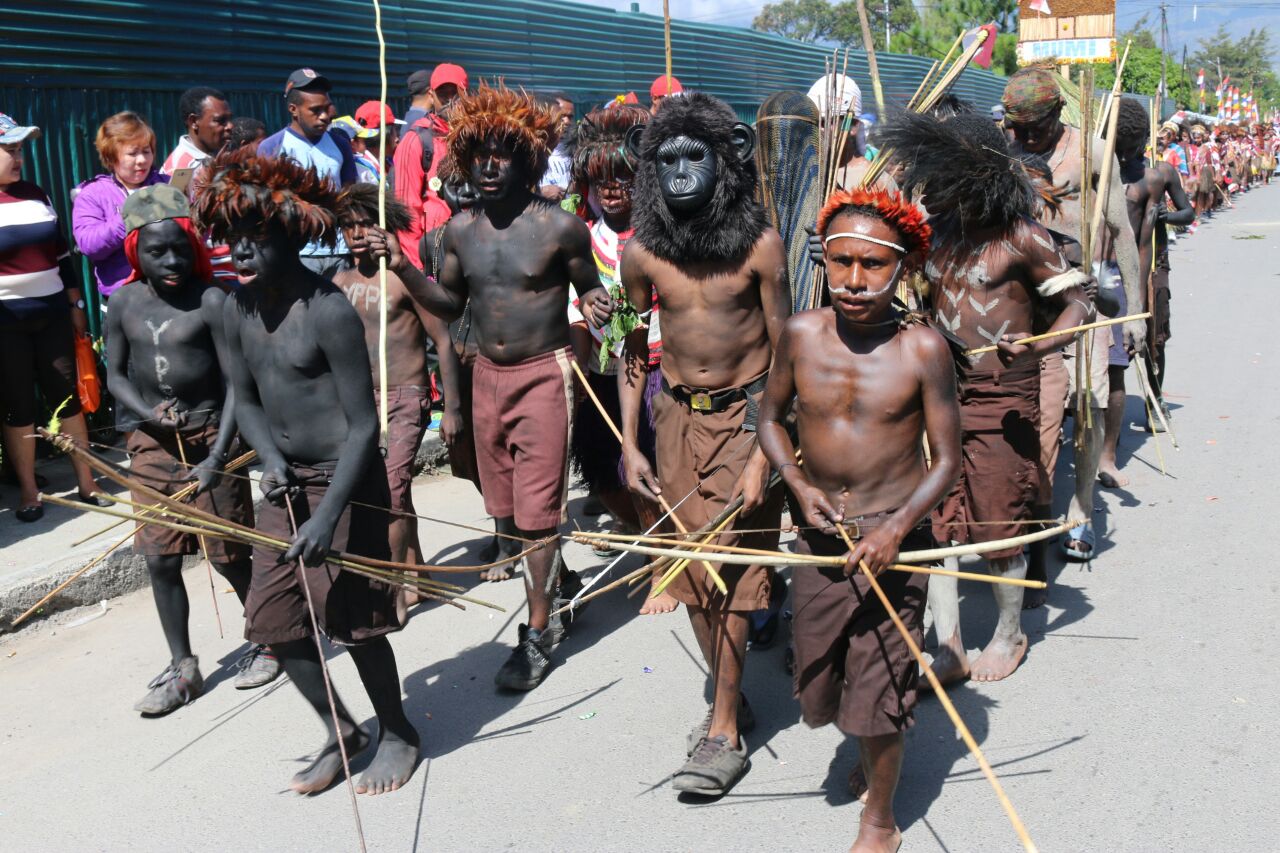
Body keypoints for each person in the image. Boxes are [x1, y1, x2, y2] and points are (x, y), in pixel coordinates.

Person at [193, 149, 419, 795]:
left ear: (290, 236)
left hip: (345, 482)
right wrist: (267, 460)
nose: (240, 252)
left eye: (255, 238)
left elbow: (364, 427)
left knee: (358, 621)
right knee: (272, 620)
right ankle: (340, 729)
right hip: (284, 482)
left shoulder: (327, 310)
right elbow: (247, 398)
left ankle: (398, 729)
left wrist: (326, 515)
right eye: (231, 240)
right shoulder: (234, 309)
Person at [372, 84, 612, 690]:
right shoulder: (458, 231)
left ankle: (536, 635)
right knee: (503, 507)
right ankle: (561, 581)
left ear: (529, 160)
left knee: (536, 514)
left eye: (503, 153)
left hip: (543, 375)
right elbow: (449, 303)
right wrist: (402, 266)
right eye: (478, 152)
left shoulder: (561, 229)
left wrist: (598, 301)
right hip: (484, 376)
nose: (488, 164)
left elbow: (589, 286)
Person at [758, 187, 961, 853]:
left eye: (872, 265)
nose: (853, 280)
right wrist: (794, 482)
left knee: (880, 691)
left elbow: (947, 461)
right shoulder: (798, 335)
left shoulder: (923, 350)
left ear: (904, 266)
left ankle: (881, 816)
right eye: (840, 262)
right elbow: (770, 419)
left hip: (892, 544)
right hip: (821, 539)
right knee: (821, 687)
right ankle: (871, 738)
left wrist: (898, 527)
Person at [878, 110, 1094, 683]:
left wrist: (1042, 344)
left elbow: (1079, 302)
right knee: (939, 518)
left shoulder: (1023, 235)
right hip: (943, 392)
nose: (932, 192)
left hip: (1004, 394)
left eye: (943, 181)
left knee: (999, 520)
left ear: (975, 176)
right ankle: (948, 648)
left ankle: (1009, 632)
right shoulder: (937, 235)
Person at [619, 93, 790, 794]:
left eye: (696, 157)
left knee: (737, 570)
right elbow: (631, 347)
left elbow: (787, 355)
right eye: (667, 161)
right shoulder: (642, 255)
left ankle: (722, 730)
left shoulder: (761, 247)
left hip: (745, 420)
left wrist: (762, 451)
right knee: (692, 571)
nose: (681, 173)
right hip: (674, 423)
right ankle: (729, 695)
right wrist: (629, 443)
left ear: (729, 159)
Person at [106, 184, 277, 713]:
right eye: (157, 251)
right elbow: (114, 375)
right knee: (159, 558)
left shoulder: (211, 300)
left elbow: (236, 387)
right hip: (151, 445)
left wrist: (216, 457)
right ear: (136, 251)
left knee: (229, 553)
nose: (172, 260)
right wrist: (149, 412)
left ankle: (270, 638)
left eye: (180, 247)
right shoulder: (123, 301)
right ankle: (182, 666)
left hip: (210, 440)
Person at [1002, 66, 1145, 566]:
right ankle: (1027, 512)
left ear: (1058, 112)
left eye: (1033, 127)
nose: (1023, 137)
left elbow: (1121, 233)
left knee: (1087, 408)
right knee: (1030, 416)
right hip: (1021, 303)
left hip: (1079, 299)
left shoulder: (1092, 153)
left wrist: (1135, 313)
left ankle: (1081, 511)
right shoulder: (1005, 151)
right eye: (1016, 127)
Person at [332, 184, 461, 568]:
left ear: (384, 227)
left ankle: (394, 587)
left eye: (366, 224)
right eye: (348, 225)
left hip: (406, 397)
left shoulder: (403, 278)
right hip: (360, 403)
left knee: (390, 489)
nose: (357, 233)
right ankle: (416, 572)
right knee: (391, 491)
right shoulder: (340, 285)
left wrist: (452, 407)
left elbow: (443, 341)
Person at [563, 105, 657, 568]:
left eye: (622, 176)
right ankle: (643, 532)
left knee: (653, 465)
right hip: (605, 370)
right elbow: (574, 310)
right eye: (600, 180)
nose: (611, 189)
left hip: (657, 370)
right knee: (604, 470)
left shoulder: (663, 237)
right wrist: (583, 307)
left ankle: (663, 555)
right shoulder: (581, 239)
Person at [0, 114, 104, 521]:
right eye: (9, 150)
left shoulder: (35, 192)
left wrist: (76, 305)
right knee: (18, 405)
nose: (18, 157)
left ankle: (88, 482)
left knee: (68, 400)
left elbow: (61, 253)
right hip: (6, 323)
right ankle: (29, 490)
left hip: (53, 316)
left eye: (20, 149)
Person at [257, 68, 357, 280]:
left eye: (327, 109)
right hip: (297, 253)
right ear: (294, 109)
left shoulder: (341, 145)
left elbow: (351, 194)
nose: (325, 117)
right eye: (315, 110)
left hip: (339, 251)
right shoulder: (271, 148)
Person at [72, 111, 168, 301]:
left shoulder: (167, 185)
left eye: (146, 151)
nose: (141, 160)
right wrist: (131, 216)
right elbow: (89, 245)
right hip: (124, 297)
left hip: (170, 291)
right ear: (111, 157)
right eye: (132, 153)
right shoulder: (93, 194)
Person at [394, 62, 468, 270]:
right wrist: (418, 269)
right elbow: (406, 209)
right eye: (443, 94)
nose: (450, 101)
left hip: (474, 250)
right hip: (436, 254)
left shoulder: (477, 137)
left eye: (456, 93)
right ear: (431, 96)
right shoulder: (416, 140)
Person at [160, 87, 233, 176]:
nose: (230, 126)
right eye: (220, 120)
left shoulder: (223, 156)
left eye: (230, 119)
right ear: (193, 121)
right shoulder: (180, 170)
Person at [353, 100, 404, 182]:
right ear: (383, 136)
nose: (397, 139)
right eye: (394, 131)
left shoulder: (387, 162)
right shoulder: (363, 171)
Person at [539, 92, 576, 201]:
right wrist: (540, 192)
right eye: (562, 116)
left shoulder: (576, 147)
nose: (567, 121)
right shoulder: (531, 148)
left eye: (570, 117)